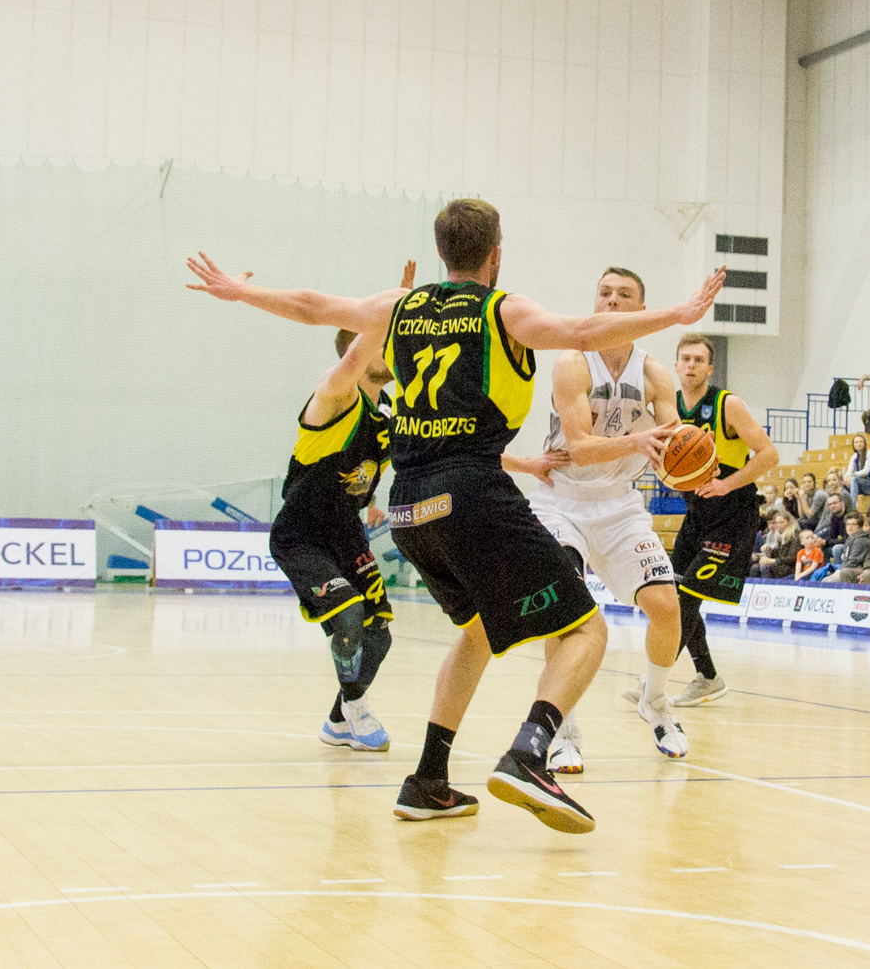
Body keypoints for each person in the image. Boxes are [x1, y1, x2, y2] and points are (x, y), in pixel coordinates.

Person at [184, 201, 725, 833]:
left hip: (410, 505)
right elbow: (583, 332)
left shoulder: (400, 306)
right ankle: (530, 755)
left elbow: (313, 307)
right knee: (586, 631)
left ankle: (428, 780)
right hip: (472, 493)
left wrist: (241, 292)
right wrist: (680, 313)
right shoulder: (505, 310)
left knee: (477, 635)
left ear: (442, 252)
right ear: (496, 254)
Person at [529, 267, 692, 774]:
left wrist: (687, 460)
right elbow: (580, 446)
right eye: (604, 293)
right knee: (567, 616)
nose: (612, 301)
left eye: (624, 295)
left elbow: (671, 444)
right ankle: (563, 731)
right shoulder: (573, 362)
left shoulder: (655, 373)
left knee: (666, 606)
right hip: (562, 501)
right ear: (594, 303)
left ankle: (656, 700)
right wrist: (640, 442)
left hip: (620, 502)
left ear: (641, 310)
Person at [267, 264, 411, 754]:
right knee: (348, 618)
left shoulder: (391, 412)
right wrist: (393, 306)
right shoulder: (332, 396)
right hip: (301, 535)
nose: (393, 346)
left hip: (346, 533)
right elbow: (352, 363)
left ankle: (337, 722)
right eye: (385, 339)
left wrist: (529, 464)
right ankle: (357, 709)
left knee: (379, 636)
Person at [664, 334, 780, 706]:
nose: (691, 365)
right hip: (697, 513)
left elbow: (769, 454)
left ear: (710, 368)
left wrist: (726, 483)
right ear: (676, 365)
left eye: (699, 359)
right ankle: (708, 677)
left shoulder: (727, 404)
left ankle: (653, 683)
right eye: (686, 358)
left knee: (687, 598)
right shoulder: (669, 406)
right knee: (673, 595)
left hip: (733, 513)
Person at [756, 511, 799, 578]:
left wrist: (773, 560)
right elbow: (779, 553)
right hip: (781, 564)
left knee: (765, 567)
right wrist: (768, 551)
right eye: (777, 523)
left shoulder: (795, 535)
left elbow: (792, 558)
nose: (779, 525)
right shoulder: (780, 535)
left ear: (789, 522)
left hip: (791, 567)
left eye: (782, 522)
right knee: (756, 567)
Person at [845, 433, 870, 500]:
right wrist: (846, 477)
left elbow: (865, 472)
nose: (859, 444)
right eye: (856, 442)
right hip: (862, 485)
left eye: (861, 442)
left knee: (854, 479)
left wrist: (851, 475)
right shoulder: (854, 456)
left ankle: (853, 505)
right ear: (853, 444)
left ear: (865, 443)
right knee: (842, 484)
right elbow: (849, 470)